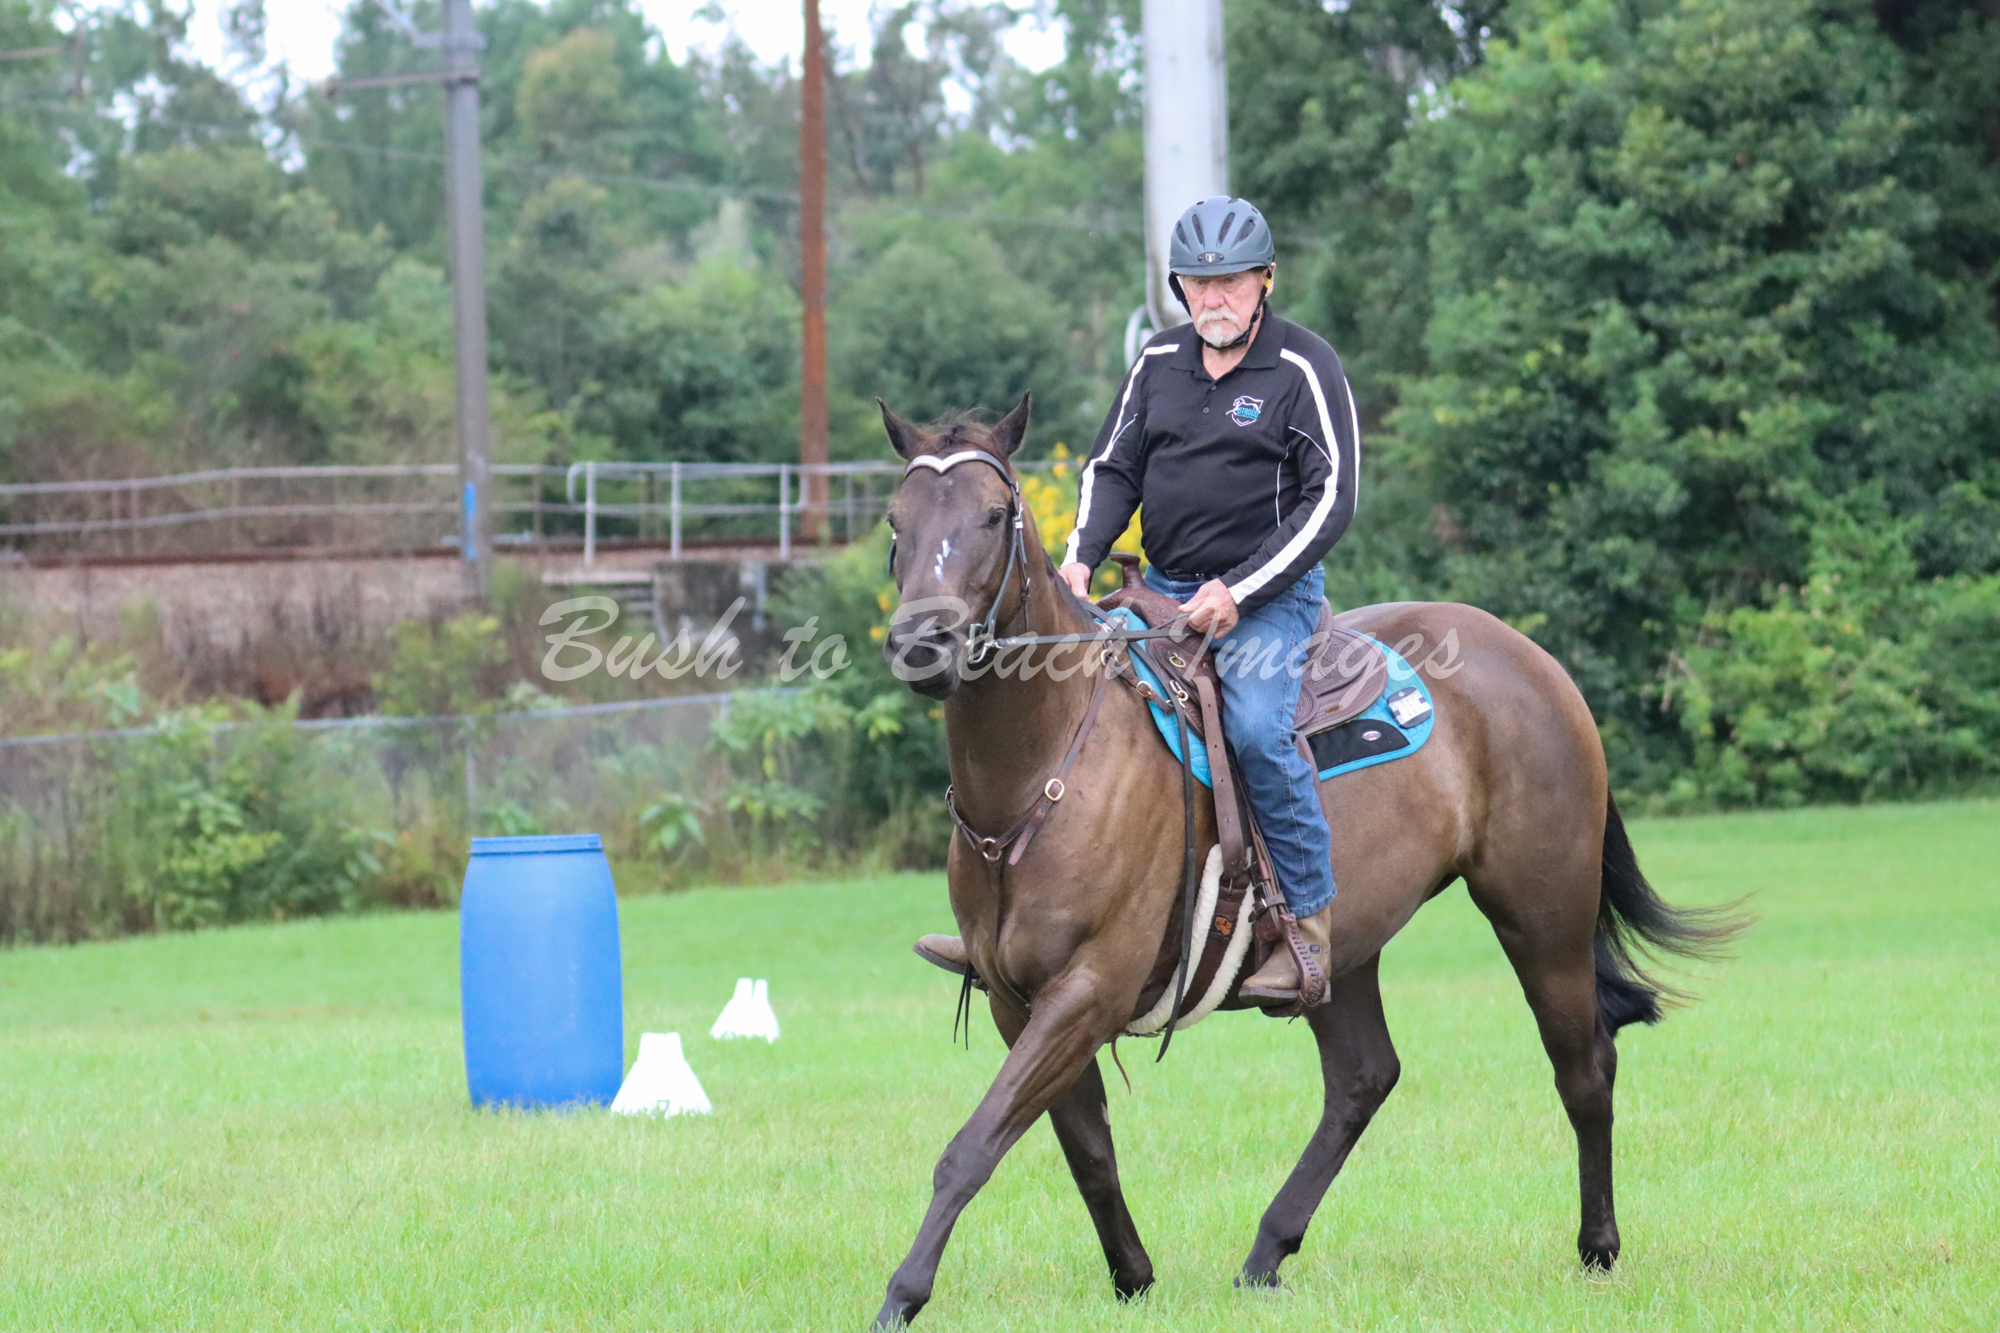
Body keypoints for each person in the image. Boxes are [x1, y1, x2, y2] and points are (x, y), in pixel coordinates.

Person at [915, 195, 1360, 1004]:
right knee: (1053, 703)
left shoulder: (1304, 366)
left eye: (1231, 282)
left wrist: (1241, 590)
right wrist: (1080, 559)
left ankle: (1305, 926)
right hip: (1161, 592)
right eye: (1198, 283)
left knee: (1257, 732)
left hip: (1270, 599)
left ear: (1266, 279)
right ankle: (1005, 926)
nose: (1214, 299)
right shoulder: (1158, 361)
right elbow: (1111, 469)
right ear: (1179, 288)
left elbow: (1331, 498)